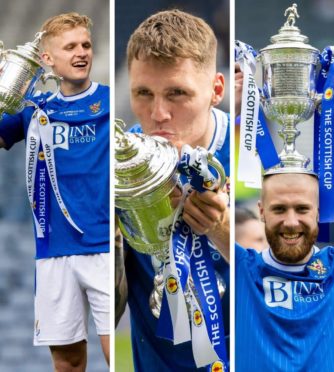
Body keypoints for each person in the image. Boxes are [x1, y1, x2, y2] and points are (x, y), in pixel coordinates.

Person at [114, 9, 230, 371]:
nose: (158, 113)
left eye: (177, 93)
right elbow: (105, 312)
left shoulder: (256, 154)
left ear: (216, 90)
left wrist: (223, 231)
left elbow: (291, 293)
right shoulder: (117, 168)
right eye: (143, 93)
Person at [0, 13, 109, 371]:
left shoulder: (109, 105)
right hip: (53, 252)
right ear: (47, 59)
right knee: (66, 364)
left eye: (86, 45)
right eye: (71, 46)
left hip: (104, 249)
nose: (81, 53)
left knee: (117, 359)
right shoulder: (34, 110)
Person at [235, 172, 334, 371]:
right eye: (279, 209)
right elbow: (212, 219)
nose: (291, 222)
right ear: (261, 212)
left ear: (319, 212)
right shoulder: (241, 268)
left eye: (302, 209)